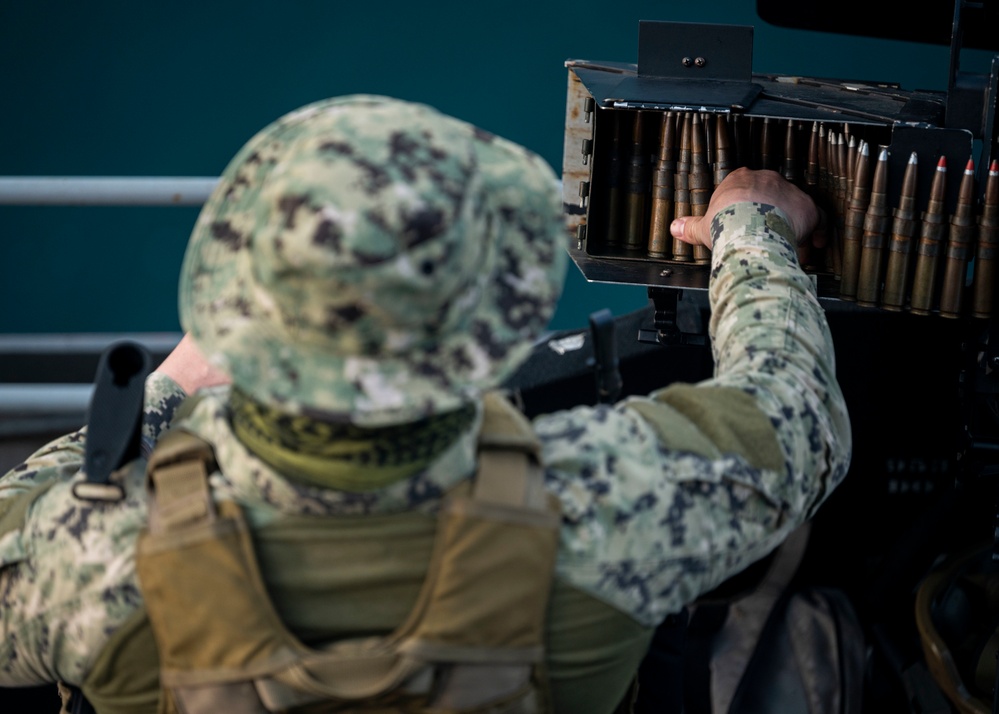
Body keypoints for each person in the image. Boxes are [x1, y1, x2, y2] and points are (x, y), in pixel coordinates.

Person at [0, 95, 850, 714]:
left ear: (237, 300)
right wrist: (751, 231)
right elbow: (794, 413)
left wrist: (166, 391)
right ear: (486, 317)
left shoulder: (95, 559)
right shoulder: (607, 504)